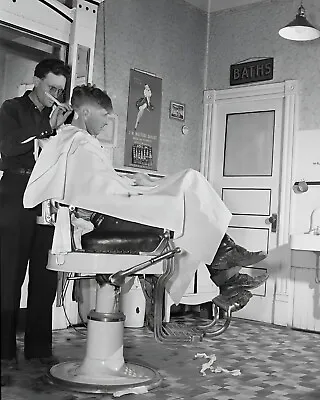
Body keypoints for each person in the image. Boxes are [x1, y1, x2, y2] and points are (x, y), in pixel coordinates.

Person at [23, 84, 268, 323]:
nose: (107, 121)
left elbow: (100, 184)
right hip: (108, 217)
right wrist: (136, 188)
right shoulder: (76, 141)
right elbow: (96, 192)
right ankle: (227, 267)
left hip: (115, 209)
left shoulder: (79, 140)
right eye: (104, 115)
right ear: (85, 112)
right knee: (187, 191)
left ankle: (229, 274)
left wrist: (136, 183)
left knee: (189, 186)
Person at [0, 58, 72, 384]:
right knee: (9, 277)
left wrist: (66, 128)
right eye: (51, 87)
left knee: (44, 277)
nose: (55, 94)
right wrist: (47, 127)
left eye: (60, 89)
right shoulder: (12, 108)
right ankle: (3, 352)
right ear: (36, 80)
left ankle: (39, 349)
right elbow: (8, 147)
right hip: (15, 195)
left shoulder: (59, 117)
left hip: (47, 202)